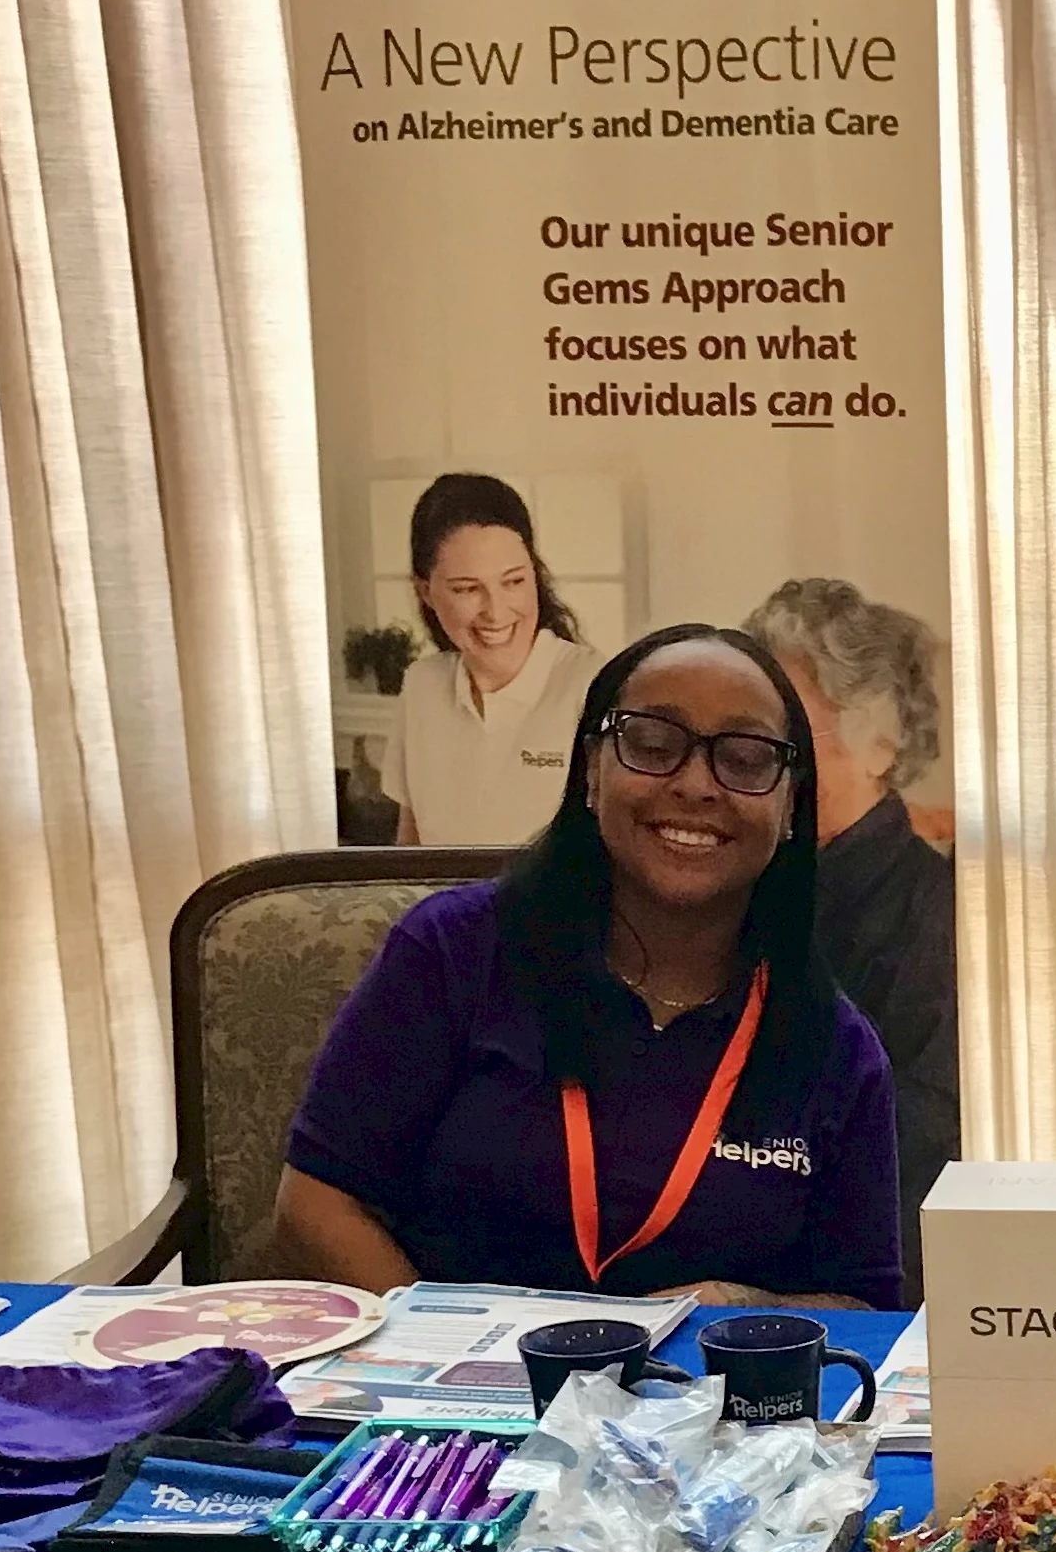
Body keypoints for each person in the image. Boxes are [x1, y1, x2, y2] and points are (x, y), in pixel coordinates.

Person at [273, 625, 905, 1309]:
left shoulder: (835, 1048)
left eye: (746, 758)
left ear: (789, 807)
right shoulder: (452, 954)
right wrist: (451, 1358)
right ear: (590, 771)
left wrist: (737, 1305)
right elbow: (316, 1204)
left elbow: (864, 1306)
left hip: (705, 1407)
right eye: (652, 744)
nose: (695, 784)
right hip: (454, 1404)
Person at [747, 576, 959, 1297]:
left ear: (882, 740)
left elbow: (919, 1154)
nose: (761, 758)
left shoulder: (938, 918)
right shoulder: (742, 888)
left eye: (789, 730)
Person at [382, 474, 599, 846]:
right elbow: (409, 854)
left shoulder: (593, 686)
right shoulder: (422, 685)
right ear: (426, 592)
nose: (496, 612)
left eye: (513, 582)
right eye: (467, 589)